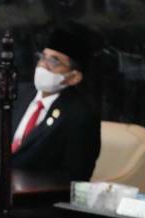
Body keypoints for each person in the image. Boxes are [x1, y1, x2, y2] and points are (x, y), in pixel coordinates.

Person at [11, 27, 101, 181]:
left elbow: (75, 176)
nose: (43, 65)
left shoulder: (80, 115)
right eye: (42, 57)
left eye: (53, 61)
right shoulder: (17, 93)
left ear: (73, 77)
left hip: (34, 199)